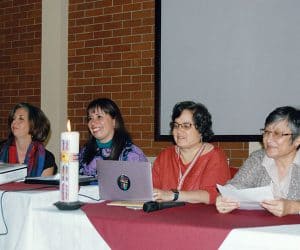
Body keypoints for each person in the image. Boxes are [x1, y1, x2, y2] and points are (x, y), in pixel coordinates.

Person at [216, 106, 300, 217]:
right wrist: (224, 197)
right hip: (261, 229)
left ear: (297, 140)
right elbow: (238, 184)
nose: (268, 139)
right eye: (266, 132)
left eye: (277, 133)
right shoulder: (258, 158)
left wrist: (293, 207)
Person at [152, 101, 231, 204]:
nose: (179, 131)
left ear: (201, 129)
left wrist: (173, 195)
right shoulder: (165, 155)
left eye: (186, 126)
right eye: (176, 125)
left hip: (201, 218)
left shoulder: (215, 156)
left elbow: (213, 195)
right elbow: (151, 189)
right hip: (165, 216)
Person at [79, 98, 147, 176]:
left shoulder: (132, 154)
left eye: (99, 117)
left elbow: (142, 186)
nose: (93, 123)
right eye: (90, 118)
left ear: (114, 121)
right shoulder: (84, 152)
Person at [0, 102, 57, 176]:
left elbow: (43, 187)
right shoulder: (1, 149)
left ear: (34, 124)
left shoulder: (46, 158)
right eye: (13, 118)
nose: (14, 122)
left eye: (21, 118)